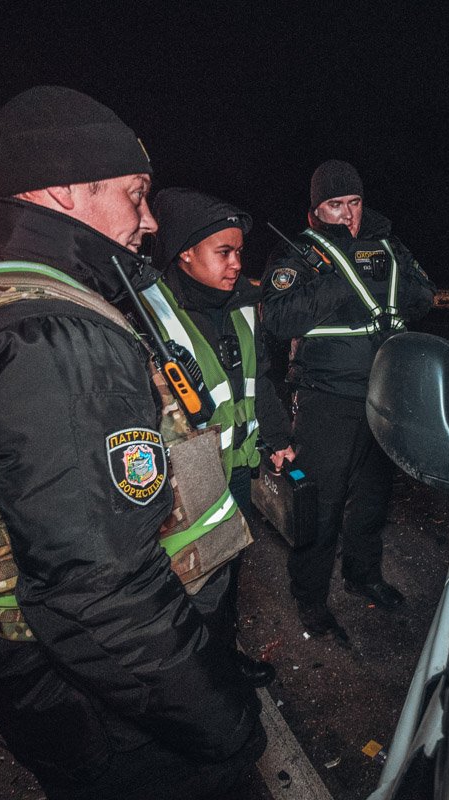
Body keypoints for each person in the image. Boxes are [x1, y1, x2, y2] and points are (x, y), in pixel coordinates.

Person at [0, 86, 263, 799]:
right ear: (64, 190)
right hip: (117, 708)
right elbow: (95, 588)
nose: (149, 221)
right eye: (135, 194)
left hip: (80, 691)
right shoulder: (48, 335)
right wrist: (221, 721)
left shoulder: (0, 302)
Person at [261, 159, 435, 638]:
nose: (347, 214)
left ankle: (363, 575)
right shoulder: (300, 252)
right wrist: (341, 274)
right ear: (316, 210)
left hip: (384, 395)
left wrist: (380, 271)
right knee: (320, 506)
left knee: (373, 500)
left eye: (354, 202)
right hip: (327, 400)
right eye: (335, 204)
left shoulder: (387, 245)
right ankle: (311, 599)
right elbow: (279, 319)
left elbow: (424, 296)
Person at [143, 187, 297, 685]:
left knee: (228, 572)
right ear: (185, 252)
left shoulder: (244, 304)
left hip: (236, 471)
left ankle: (224, 661)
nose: (236, 264)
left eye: (239, 252)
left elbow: (259, 379)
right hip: (182, 483)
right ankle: (194, 679)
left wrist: (277, 437)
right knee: (187, 583)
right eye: (224, 252)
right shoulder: (147, 314)